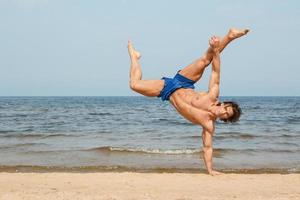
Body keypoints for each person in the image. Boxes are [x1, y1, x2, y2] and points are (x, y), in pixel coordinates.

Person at [128, 28, 249, 176]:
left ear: (224, 119)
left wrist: (210, 170)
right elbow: (215, 72)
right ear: (224, 104)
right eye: (226, 109)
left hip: (167, 90)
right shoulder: (212, 96)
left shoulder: (208, 124)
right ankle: (230, 36)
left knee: (134, 84)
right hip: (183, 81)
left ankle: (134, 56)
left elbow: (207, 147)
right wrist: (215, 50)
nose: (223, 112)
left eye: (226, 115)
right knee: (206, 59)